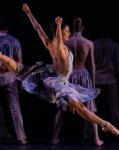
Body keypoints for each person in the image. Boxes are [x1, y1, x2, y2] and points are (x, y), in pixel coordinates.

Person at [0, 3, 119, 143]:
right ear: (60, 33)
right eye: (67, 32)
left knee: (21, 70)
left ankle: (0, 56)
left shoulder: (49, 44)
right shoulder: (60, 48)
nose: (70, 33)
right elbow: (59, 42)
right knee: (79, 107)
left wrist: (28, 13)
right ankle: (105, 124)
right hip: (58, 82)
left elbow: (37, 28)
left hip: (50, 74)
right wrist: (59, 25)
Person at [51, 17, 103, 146]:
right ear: (83, 28)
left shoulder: (66, 43)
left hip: (69, 75)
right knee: (89, 108)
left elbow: (57, 61)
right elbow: (92, 65)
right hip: (84, 75)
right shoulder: (88, 43)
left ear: (71, 28)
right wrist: (93, 85)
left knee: (62, 108)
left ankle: (54, 138)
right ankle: (96, 139)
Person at [94, 38, 119, 139]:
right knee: (115, 109)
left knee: (92, 109)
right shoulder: (115, 46)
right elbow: (117, 65)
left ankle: (89, 133)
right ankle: (117, 132)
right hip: (110, 79)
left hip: (96, 79)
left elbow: (90, 64)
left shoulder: (93, 45)